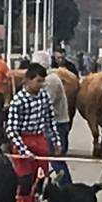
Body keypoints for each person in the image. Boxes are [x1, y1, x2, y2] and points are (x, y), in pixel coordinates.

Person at [6, 62, 60, 202]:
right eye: (37, 81)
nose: (40, 85)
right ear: (27, 81)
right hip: (23, 141)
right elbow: (11, 130)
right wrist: (23, 151)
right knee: (24, 182)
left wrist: (56, 141)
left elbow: (50, 121)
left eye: (42, 82)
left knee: (40, 181)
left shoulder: (44, 97)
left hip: (40, 141)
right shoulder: (18, 101)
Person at [36, 50, 73, 185]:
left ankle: (66, 187)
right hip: (53, 123)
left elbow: (46, 104)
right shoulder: (49, 78)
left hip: (56, 124)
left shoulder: (51, 80)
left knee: (56, 159)